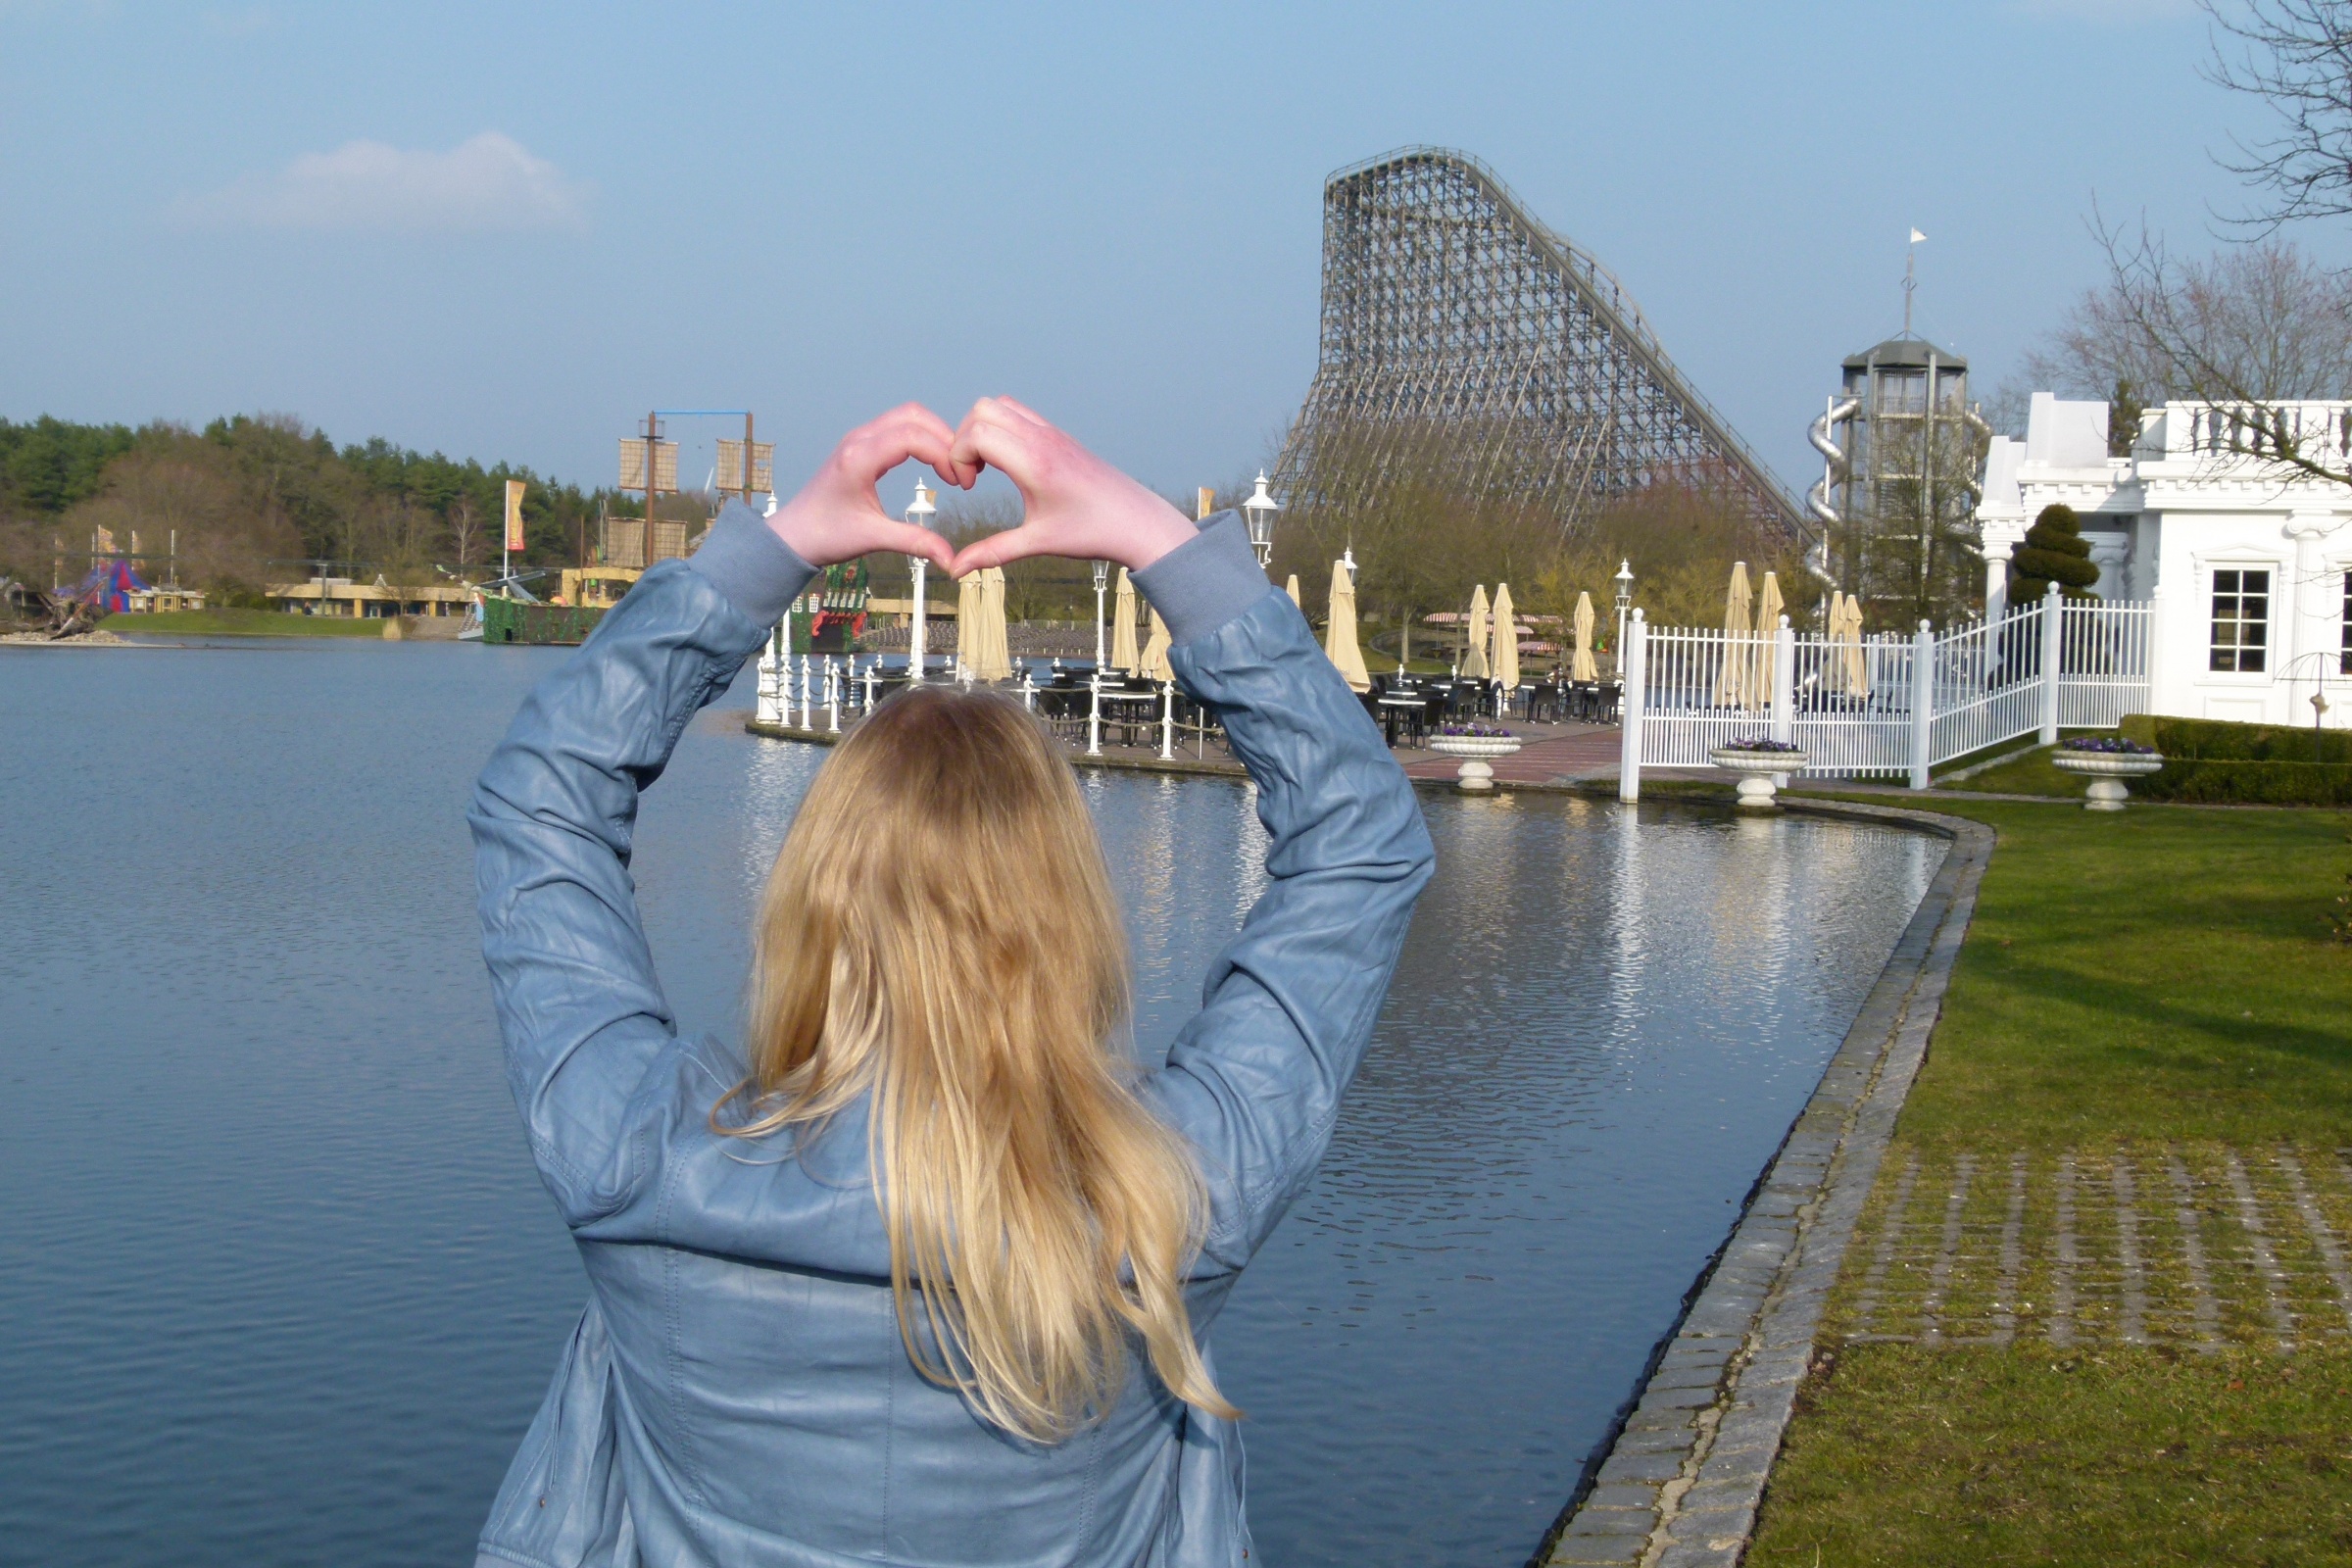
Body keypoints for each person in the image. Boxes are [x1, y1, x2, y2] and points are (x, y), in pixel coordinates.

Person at [469, 399, 1435, 1568]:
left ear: (816, 905)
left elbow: (541, 805)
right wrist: (1158, 541)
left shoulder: (637, 1155)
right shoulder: (1174, 1196)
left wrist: (774, 548)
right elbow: (1360, 845)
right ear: (1066, 917)